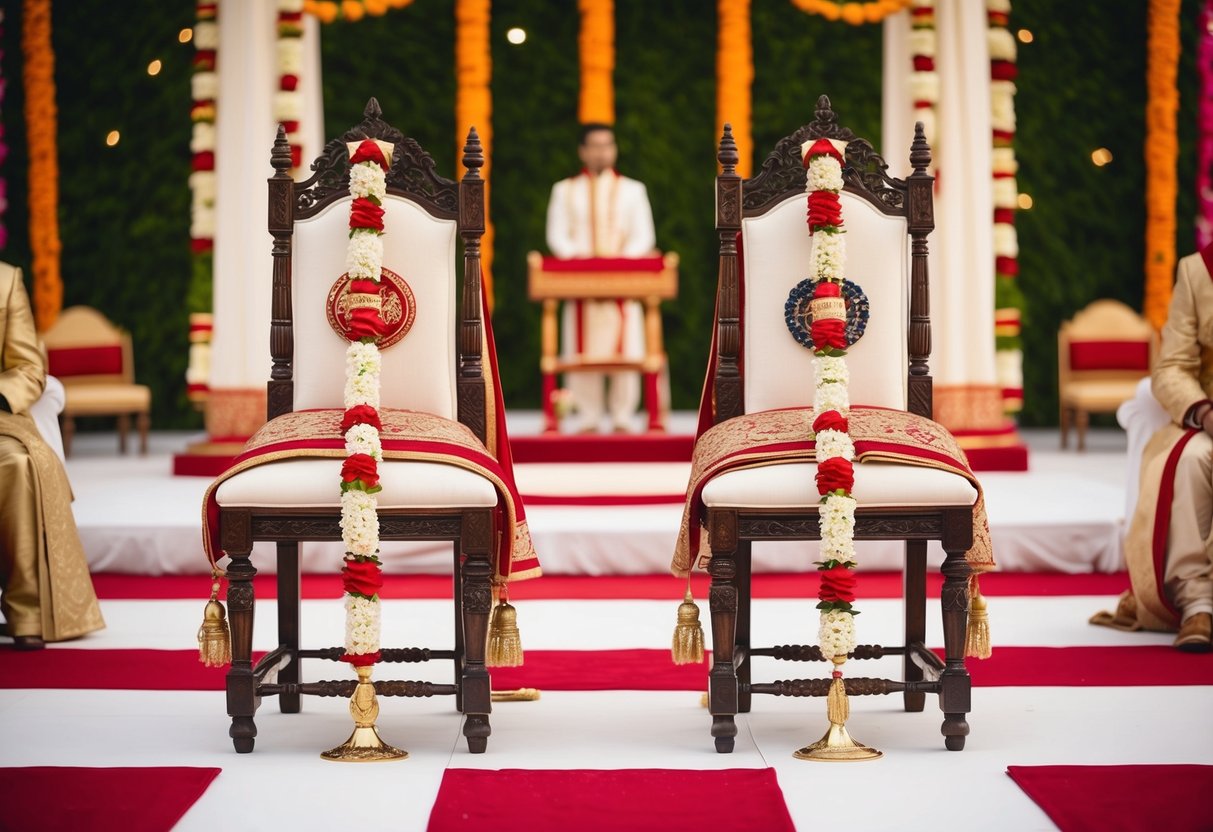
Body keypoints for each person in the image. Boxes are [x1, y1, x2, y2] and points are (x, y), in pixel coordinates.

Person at [1108, 247, 1213, 652]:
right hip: (1208, 421)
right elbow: (1171, 368)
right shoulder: (1198, 271)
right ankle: (1198, 605)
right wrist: (1202, 412)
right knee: (1189, 460)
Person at [0, 261, 104, 649]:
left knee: (18, 463)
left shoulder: (6, 281)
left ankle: (25, 612)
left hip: (1, 423)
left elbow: (28, 367)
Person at [545, 123, 656, 433]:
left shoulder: (635, 190)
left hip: (624, 284)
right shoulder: (563, 190)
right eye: (595, 145)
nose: (602, 151)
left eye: (608, 145)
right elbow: (557, 237)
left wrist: (617, 265)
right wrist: (584, 266)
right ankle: (588, 417)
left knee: (629, 348)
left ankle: (623, 418)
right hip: (580, 285)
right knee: (578, 350)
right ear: (582, 150)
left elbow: (643, 236)